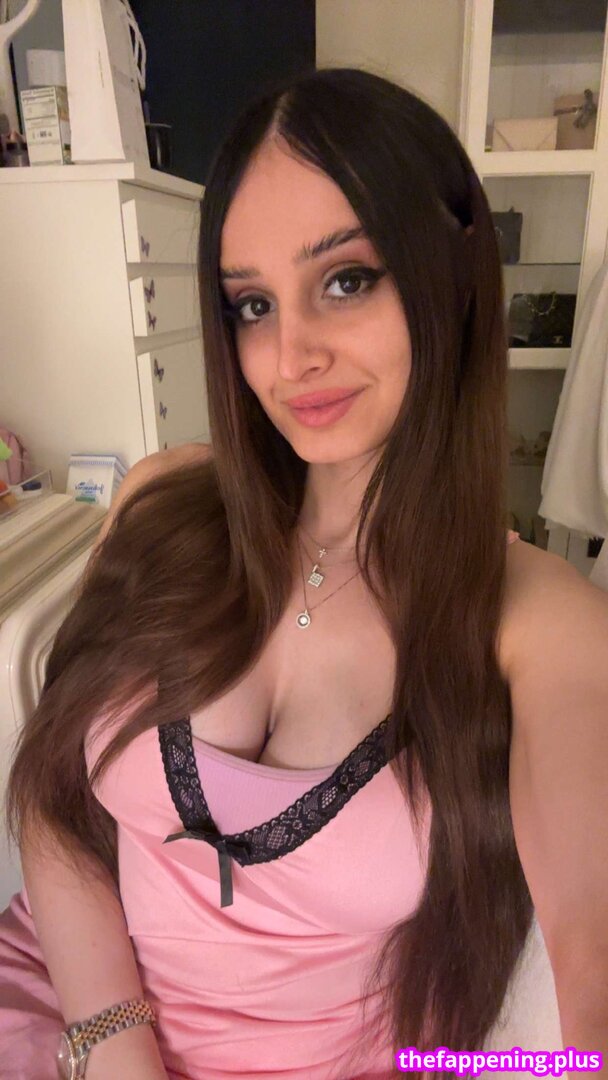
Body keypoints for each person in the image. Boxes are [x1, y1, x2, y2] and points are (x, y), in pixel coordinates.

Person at [1, 65, 607, 1080]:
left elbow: (592, 939)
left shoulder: (536, 622)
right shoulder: (161, 502)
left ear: (452, 281)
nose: (290, 357)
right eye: (251, 304)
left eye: (345, 280)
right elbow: (55, 799)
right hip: (70, 1013)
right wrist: (115, 1048)